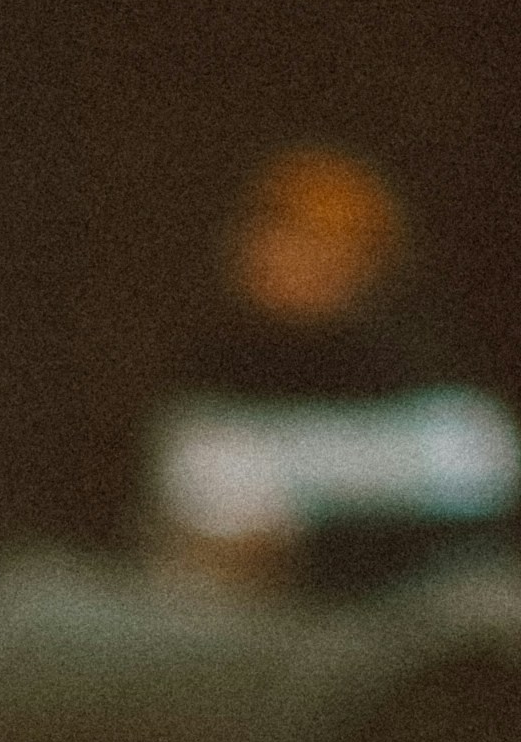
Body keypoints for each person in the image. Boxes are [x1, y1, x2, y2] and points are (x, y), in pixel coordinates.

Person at [139, 145, 519, 599]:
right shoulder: (208, 383)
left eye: (320, 239)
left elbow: (475, 519)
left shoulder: (441, 399)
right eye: (272, 231)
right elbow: (210, 542)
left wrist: (312, 547)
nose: (283, 254)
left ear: (373, 260)